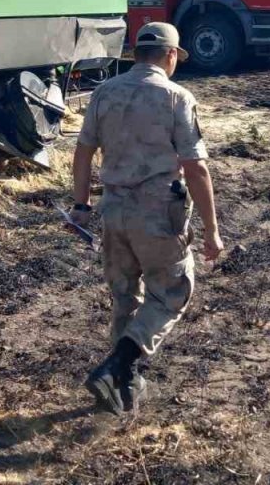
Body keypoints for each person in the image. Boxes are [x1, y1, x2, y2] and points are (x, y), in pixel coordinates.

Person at [68, 22, 224, 414]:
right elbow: (195, 167)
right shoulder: (176, 98)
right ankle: (115, 367)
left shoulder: (104, 93)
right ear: (170, 55)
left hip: (113, 210)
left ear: (136, 54)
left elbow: (83, 152)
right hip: (158, 214)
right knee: (171, 294)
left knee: (124, 297)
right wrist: (212, 230)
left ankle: (124, 390)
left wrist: (82, 205)